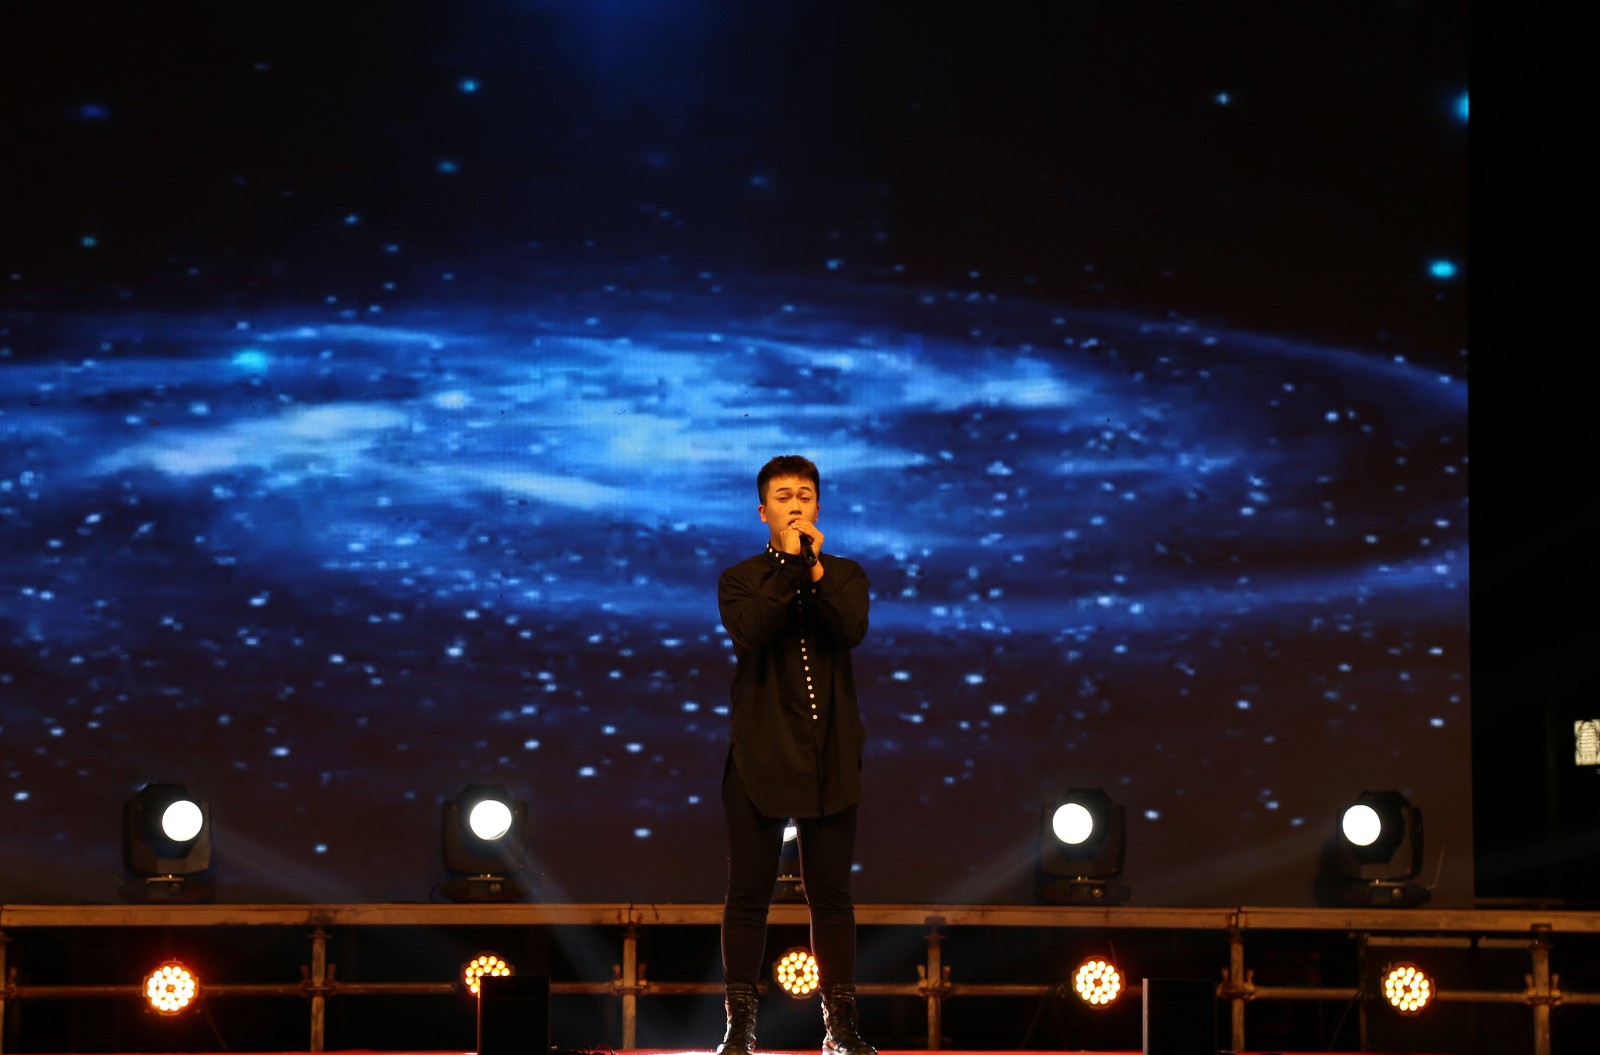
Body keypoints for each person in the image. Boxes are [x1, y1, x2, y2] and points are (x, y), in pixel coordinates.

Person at [713, 455, 876, 1055]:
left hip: (830, 753)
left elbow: (849, 630)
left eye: (804, 496)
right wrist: (786, 566)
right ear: (763, 511)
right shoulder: (740, 578)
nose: (795, 505)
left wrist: (813, 570)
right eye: (783, 497)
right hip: (760, 752)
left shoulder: (845, 574)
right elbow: (753, 630)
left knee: (831, 895)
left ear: (818, 507)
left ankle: (840, 1027)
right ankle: (740, 1026)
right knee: (748, 894)